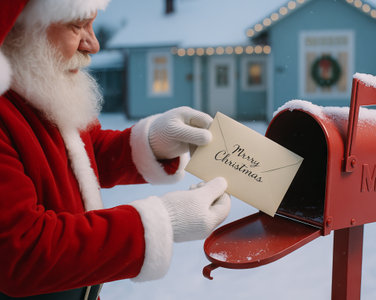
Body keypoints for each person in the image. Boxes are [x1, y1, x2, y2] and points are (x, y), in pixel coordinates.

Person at [0, 0, 231, 299]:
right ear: (21, 28)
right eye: (78, 25)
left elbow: (82, 154)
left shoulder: (35, 88)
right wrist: (164, 221)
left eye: (92, 25)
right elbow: (23, 252)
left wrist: (153, 143)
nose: (93, 44)